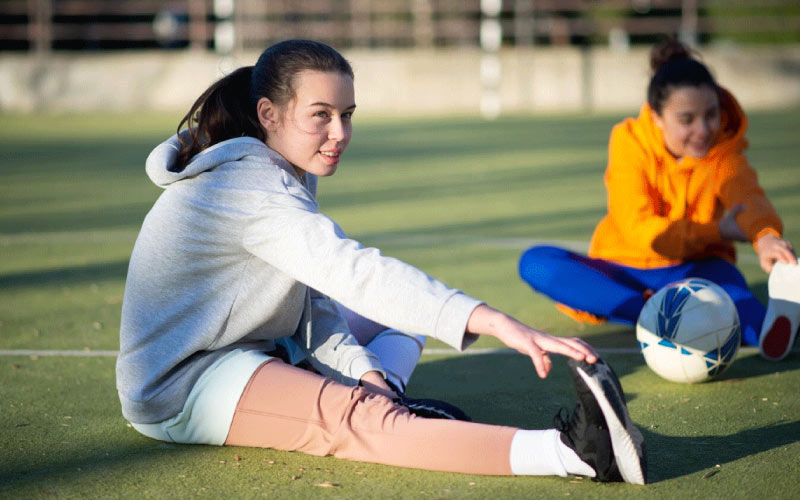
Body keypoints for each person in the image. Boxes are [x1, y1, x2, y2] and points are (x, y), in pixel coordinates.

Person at [116, 39, 647, 483]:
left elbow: (313, 300)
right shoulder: (245, 186)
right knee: (361, 423)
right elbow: (353, 271)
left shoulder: (283, 167)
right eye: (320, 116)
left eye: (346, 115)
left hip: (258, 348)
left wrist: (367, 372)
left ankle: (385, 399)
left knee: (396, 330)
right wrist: (491, 320)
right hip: (186, 384)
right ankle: (573, 456)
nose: (340, 134)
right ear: (268, 114)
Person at [518, 39, 800, 362]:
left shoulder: (724, 153)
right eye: (686, 119)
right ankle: (654, 313)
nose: (703, 129)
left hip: (697, 269)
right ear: (656, 117)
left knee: (736, 297)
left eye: (711, 115)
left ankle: (767, 329)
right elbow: (641, 230)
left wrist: (766, 237)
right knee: (537, 263)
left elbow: (748, 195)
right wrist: (716, 231)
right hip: (624, 267)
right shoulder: (628, 142)